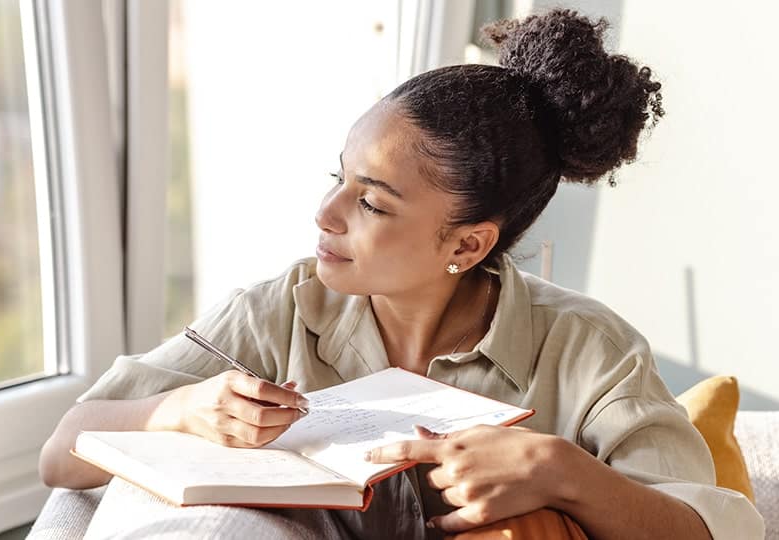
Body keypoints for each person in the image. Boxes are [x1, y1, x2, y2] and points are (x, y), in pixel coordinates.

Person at [39, 9, 764, 539]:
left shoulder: (586, 349)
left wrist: (563, 473)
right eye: (337, 178)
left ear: (467, 244)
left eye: (371, 202)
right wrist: (175, 409)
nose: (325, 214)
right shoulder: (274, 313)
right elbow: (61, 451)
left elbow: (717, 525)